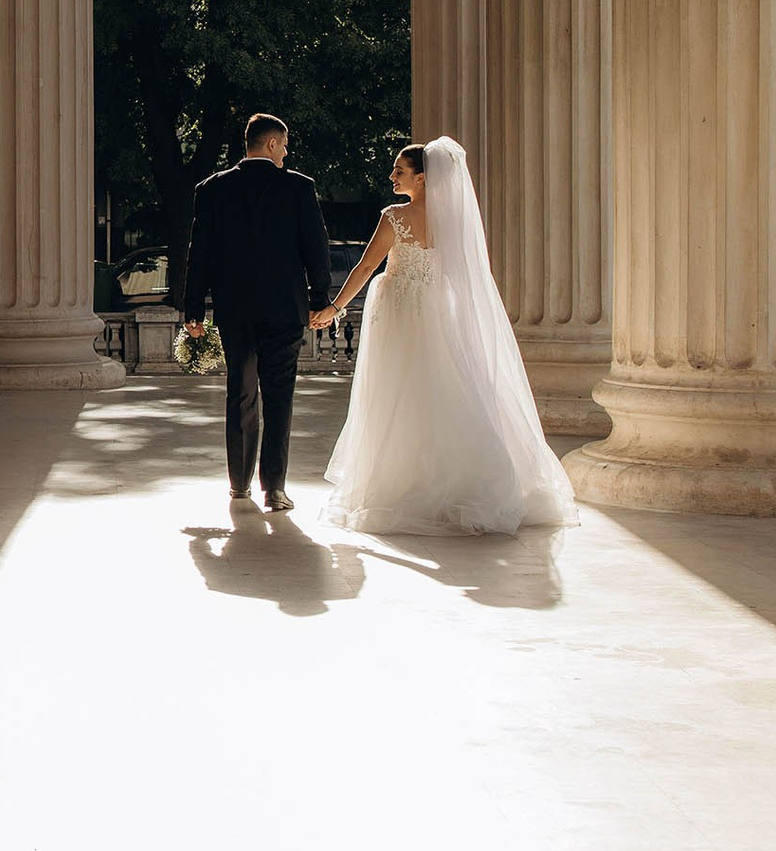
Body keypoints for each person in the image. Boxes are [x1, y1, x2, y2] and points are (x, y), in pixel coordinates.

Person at [318, 138, 574, 535]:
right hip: (438, 312)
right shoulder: (454, 220)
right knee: (444, 390)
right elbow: (466, 278)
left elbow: (367, 266)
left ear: (421, 179)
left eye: (399, 171)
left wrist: (335, 308)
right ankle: (460, 481)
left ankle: (405, 483)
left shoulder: (394, 217)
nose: (391, 177)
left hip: (401, 314)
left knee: (396, 396)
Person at [180, 113, 332, 511]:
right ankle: (275, 488)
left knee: (241, 394)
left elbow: (200, 255)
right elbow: (315, 249)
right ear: (270, 144)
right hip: (285, 310)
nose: (286, 152)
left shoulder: (212, 188)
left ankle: (239, 484)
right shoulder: (300, 187)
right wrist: (321, 299)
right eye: (283, 144)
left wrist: (193, 308)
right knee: (280, 398)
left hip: (235, 310)